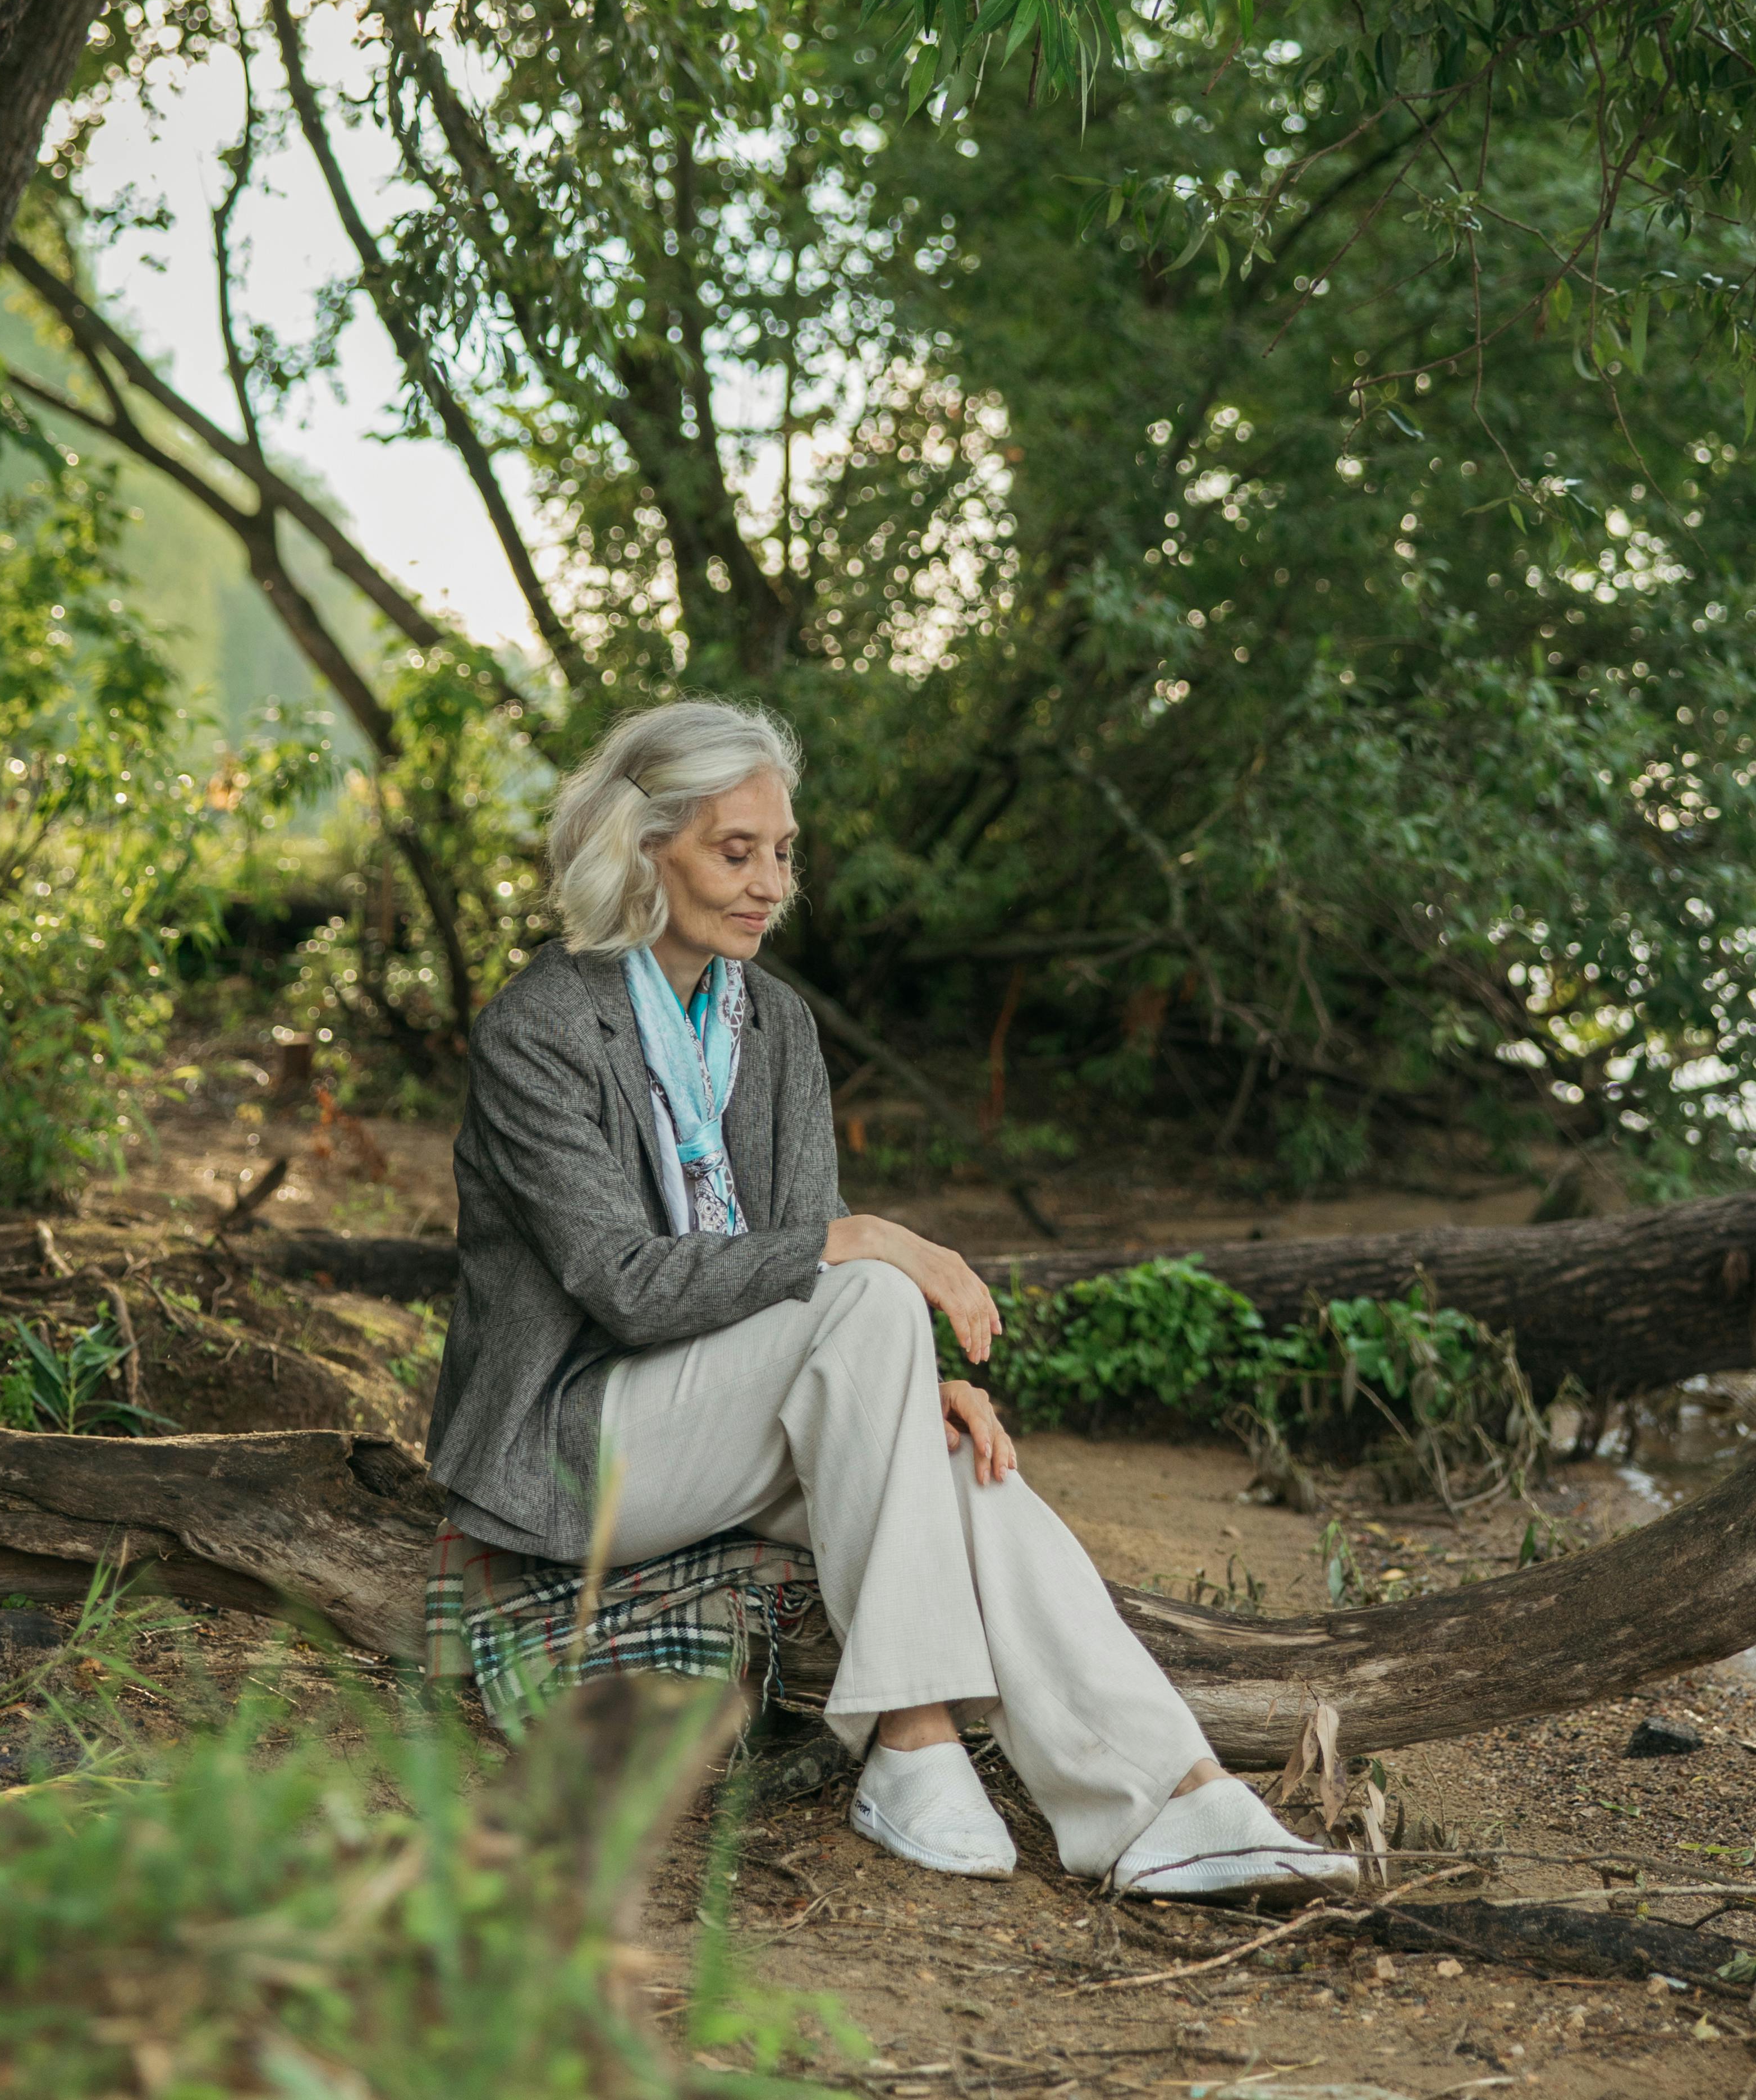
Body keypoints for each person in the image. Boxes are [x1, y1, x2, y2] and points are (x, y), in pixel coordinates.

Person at [427, 698, 1354, 1895]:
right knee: (865, 1286)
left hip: (728, 1427)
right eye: (736, 851)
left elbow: (810, 1300)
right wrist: (862, 1244)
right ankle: (911, 1738)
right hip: (575, 1444)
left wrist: (911, 1391)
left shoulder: (776, 1025)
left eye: (782, 851)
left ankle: (1174, 1799)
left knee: (966, 1473)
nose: (772, 884)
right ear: (641, 848)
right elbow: (628, 1285)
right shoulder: (540, 1027)